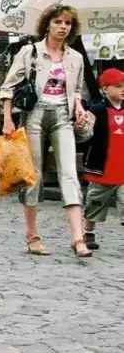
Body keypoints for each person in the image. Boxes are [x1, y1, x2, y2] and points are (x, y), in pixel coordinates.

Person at [0, 4, 91, 257]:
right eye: (58, 22)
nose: (63, 27)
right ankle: (32, 235)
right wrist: (8, 119)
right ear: (47, 25)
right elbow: (8, 87)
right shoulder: (30, 53)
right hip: (35, 115)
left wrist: (79, 107)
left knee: (70, 173)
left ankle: (78, 238)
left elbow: (74, 91)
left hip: (62, 115)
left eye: (68, 24)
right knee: (34, 175)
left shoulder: (75, 58)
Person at [81, 67, 124, 250]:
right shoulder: (96, 110)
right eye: (118, 86)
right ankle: (88, 232)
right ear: (105, 89)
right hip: (102, 169)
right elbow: (84, 135)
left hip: (123, 170)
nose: (123, 89)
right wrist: (80, 128)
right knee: (94, 204)